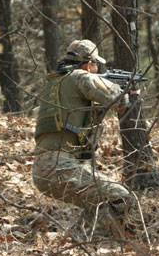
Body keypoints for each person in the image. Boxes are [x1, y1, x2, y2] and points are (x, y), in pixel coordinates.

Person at [33, 39, 132, 233]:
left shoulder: (55, 81)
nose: (96, 69)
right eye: (95, 65)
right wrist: (127, 89)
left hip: (44, 168)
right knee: (120, 197)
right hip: (59, 166)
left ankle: (79, 243)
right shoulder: (80, 76)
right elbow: (119, 100)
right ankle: (100, 248)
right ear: (88, 64)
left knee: (98, 205)